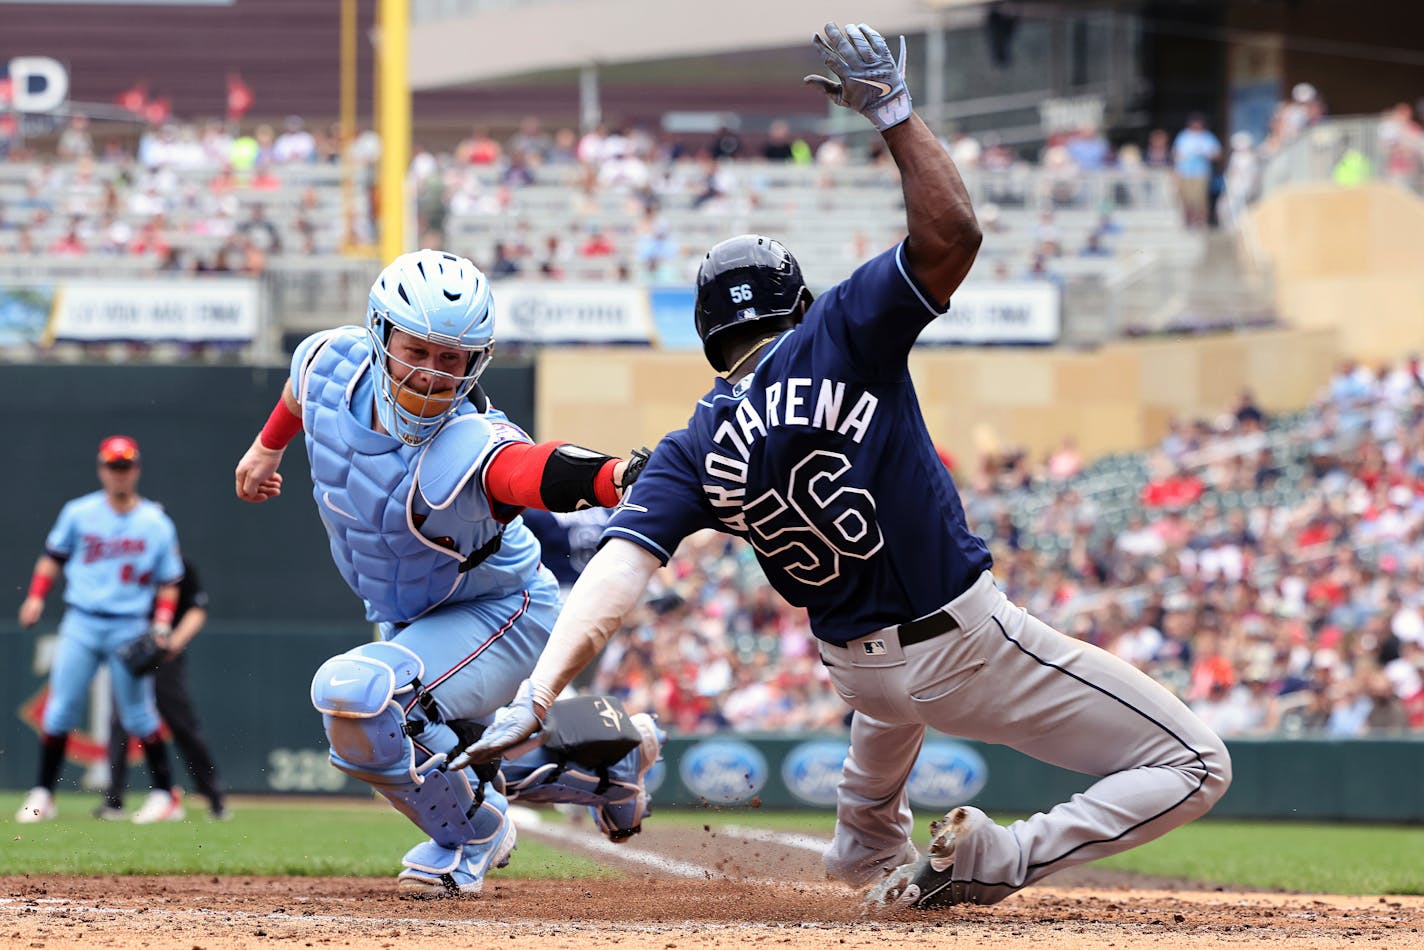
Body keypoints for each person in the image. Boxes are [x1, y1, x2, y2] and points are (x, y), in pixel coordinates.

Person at [455, 21, 1232, 915]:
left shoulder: (689, 446)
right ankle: (1004, 857)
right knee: (1196, 762)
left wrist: (543, 689)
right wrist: (895, 115)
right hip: (960, 642)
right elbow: (954, 235)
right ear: (799, 300)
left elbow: (617, 575)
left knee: (891, 706)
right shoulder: (838, 330)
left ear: (709, 339)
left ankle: (865, 838)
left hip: (853, 670)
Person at [232, 248, 662, 898]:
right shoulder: (327, 357)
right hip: (411, 615)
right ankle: (609, 757)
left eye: (452, 359)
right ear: (380, 335)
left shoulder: (467, 439)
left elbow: (532, 469)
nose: (432, 374)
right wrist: (267, 448)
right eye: (418, 350)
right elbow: (301, 393)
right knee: (408, 744)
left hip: (501, 611)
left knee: (360, 697)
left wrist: (617, 476)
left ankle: (475, 835)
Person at [15, 435, 188, 825]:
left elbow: (170, 580)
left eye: (125, 466)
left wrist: (161, 623)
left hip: (129, 625)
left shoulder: (155, 522)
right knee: (60, 709)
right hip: (82, 621)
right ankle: (43, 793)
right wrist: (36, 597)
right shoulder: (79, 513)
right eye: (113, 466)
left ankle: (165, 795)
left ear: (136, 470)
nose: (119, 474)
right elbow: (52, 559)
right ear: (101, 470)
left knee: (139, 715)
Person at [98, 557, 229, 821]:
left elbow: (196, 608)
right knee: (120, 721)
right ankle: (114, 800)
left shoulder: (179, 566)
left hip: (164, 657)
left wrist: (173, 643)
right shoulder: (127, 563)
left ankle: (214, 798)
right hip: (132, 651)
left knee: (181, 724)